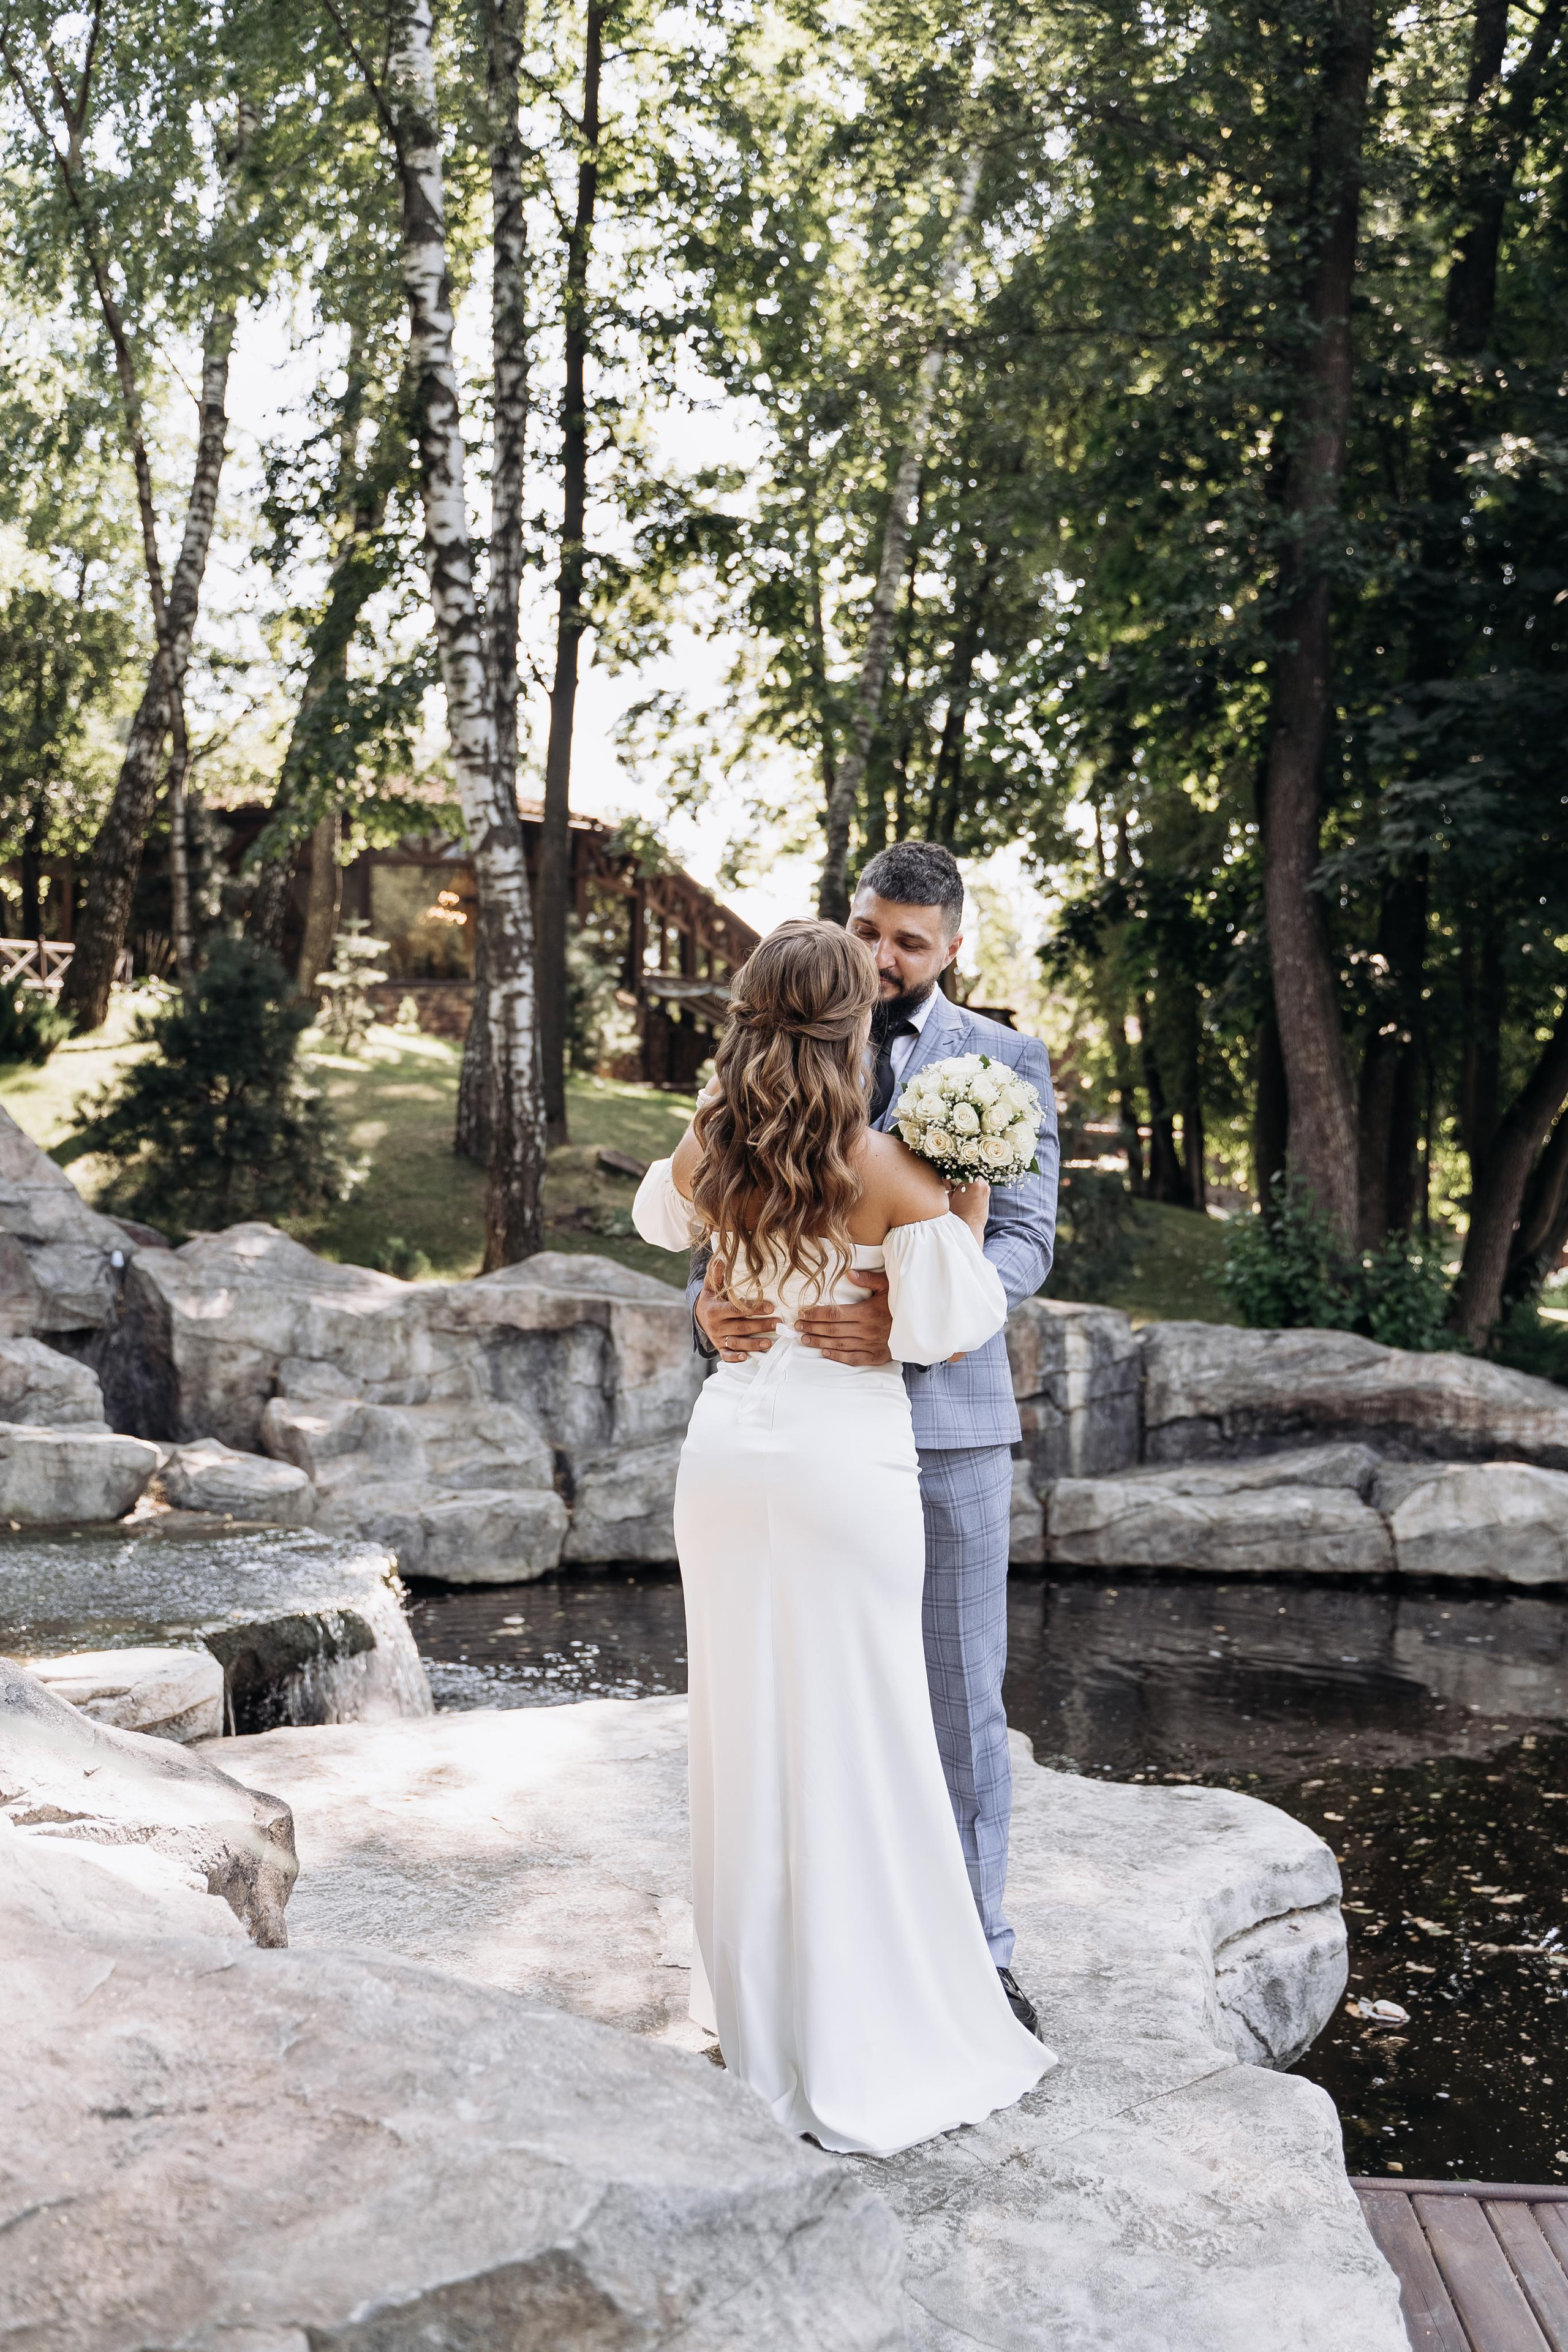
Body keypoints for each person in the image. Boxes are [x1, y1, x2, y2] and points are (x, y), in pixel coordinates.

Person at [633, 918, 1054, 2157]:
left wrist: (727, 1281)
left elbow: (661, 1222)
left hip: (726, 1461)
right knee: (861, 1734)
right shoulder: (885, 1167)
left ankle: (759, 2022)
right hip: (840, 1472)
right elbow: (952, 1319)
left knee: (745, 1731)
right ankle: (864, 2025)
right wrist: (967, 1190)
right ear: (853, 1026)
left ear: (748, 1018)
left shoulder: (717, 1139)